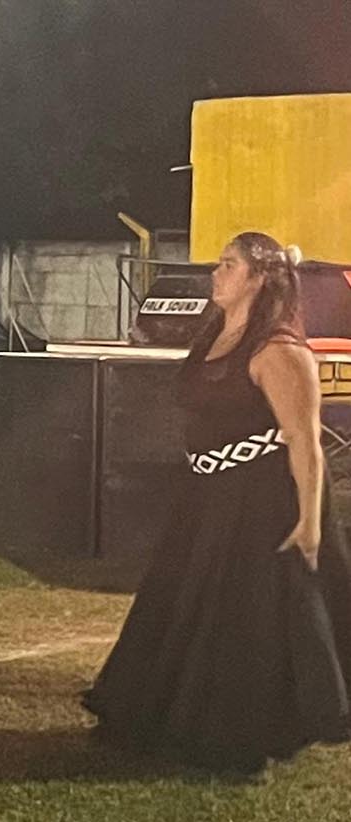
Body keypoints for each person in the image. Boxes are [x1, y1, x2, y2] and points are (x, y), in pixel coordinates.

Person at [85, 232, 351, 773]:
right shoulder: (214, 336)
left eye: (229, 265)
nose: (216, 273)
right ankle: (159, 711)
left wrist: (309, 521)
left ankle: (237, 727)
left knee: (246, 612)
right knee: (182, 598)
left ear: (259, 278)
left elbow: (303, 440)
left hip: (260, 500)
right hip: (206, 493)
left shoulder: (279, 350)